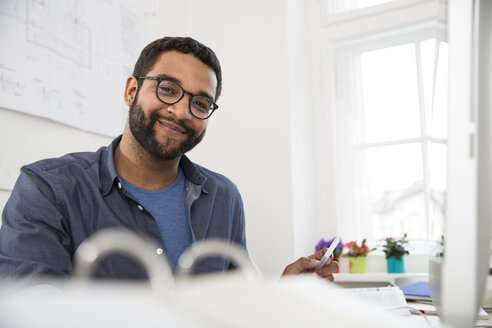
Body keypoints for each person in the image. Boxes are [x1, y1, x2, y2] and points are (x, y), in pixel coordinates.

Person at [0, 36, 338, 280]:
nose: (180, 111)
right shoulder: (48, 187)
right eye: (167, 89)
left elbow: (238, 305)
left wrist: (284, 292)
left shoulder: (223, 196)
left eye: (201, 103)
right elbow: (32, 306)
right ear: (132, 91)